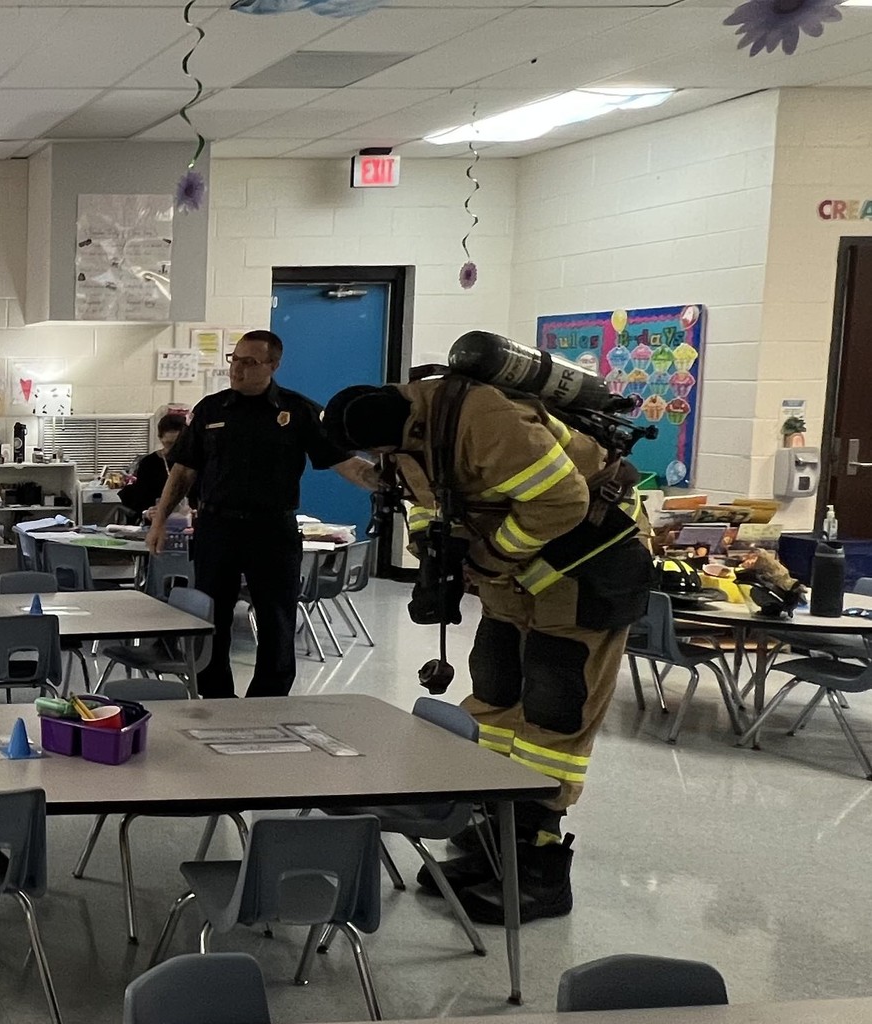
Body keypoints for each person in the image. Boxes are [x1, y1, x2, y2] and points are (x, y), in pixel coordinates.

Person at [322, 377, 651, 925]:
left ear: (389, 434)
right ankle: (498, 833)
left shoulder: (486, 421)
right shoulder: (408, 434)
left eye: (377, 454)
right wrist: (435, 556)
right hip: (517, 571)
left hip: (588, 560)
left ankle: (541, 860)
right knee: (496, 686)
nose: (380, 463)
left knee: (556, 701)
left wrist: (489, 557)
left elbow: (563, 502)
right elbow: (427, 502)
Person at [147, 329, 377, 699]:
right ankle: (216, 698)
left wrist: (384, 481)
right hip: (217, 527)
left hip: (271, 530)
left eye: (249, 362)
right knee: (212, 618)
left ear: (273, 365)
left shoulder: (297, 410)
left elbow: (343, 462)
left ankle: (268, 702)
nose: (237, 369)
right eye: (234, 360)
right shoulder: (210, 409)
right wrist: (159, 521)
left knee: (277, 620)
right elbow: (183, 471)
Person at [118, 413, 186, 522]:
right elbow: (141, 499)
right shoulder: (149, 463)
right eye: (169, 444)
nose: (173, 449)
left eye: (178, 444)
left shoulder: (194, 462)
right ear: (160, 438)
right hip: (157, 519)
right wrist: (147, 512)